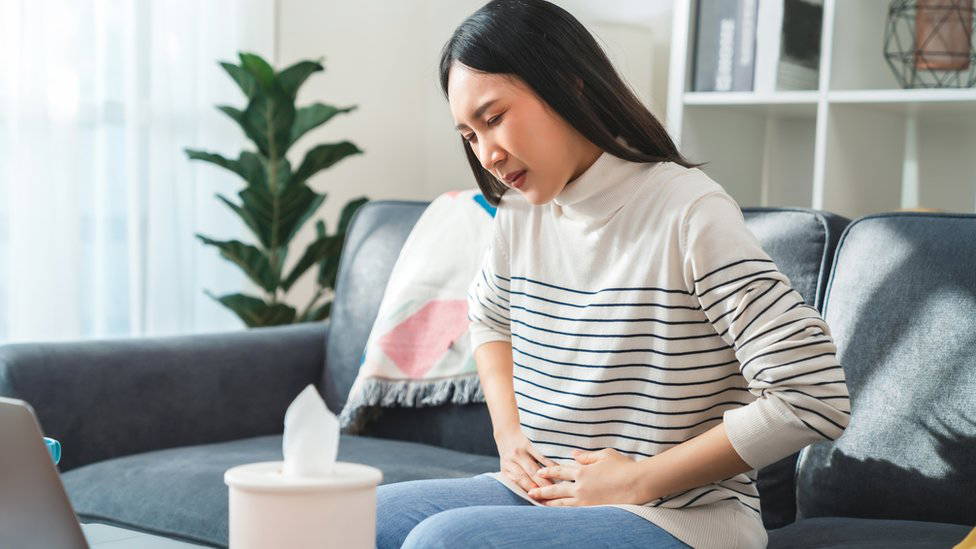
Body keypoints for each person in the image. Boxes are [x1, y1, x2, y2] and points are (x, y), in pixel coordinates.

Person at [376, 1, 851, 547]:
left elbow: (812, 395)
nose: (487, 155)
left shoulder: (690, 213)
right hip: (546, 494)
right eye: (469, 135)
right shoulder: (519, 214)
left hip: (679, 519)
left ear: (568, 84)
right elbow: (488, 319)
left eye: (494, 118)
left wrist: (636, 480)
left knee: (445, 542)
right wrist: (510, 437)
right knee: (349, 516)